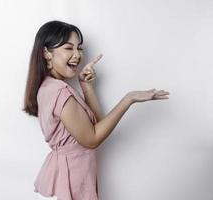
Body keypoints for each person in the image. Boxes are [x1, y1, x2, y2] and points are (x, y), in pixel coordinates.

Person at [23, 20, 170, 200]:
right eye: (69, 48)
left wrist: (86, 87)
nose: (77, 55)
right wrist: (129, 99)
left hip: (74, 173)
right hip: (72, 178)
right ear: (46, 53)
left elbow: (98, 127)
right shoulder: (59, 91)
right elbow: (92, 139)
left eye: (79, 48)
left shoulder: (51, 88)